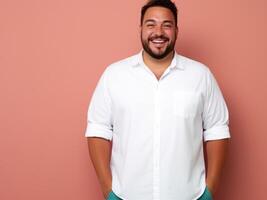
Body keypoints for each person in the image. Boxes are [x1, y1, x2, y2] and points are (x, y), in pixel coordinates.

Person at [85, 0, 230, 199]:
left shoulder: (201, 76)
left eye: (167, 25)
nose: (158, 32)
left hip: (187, 195)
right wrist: (107, 188)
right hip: (127, 195)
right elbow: (97, 130)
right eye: (151, 24)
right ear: (141, 29)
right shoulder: (114, 75)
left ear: (177, 31)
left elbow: (217, 130)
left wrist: (210, 189)